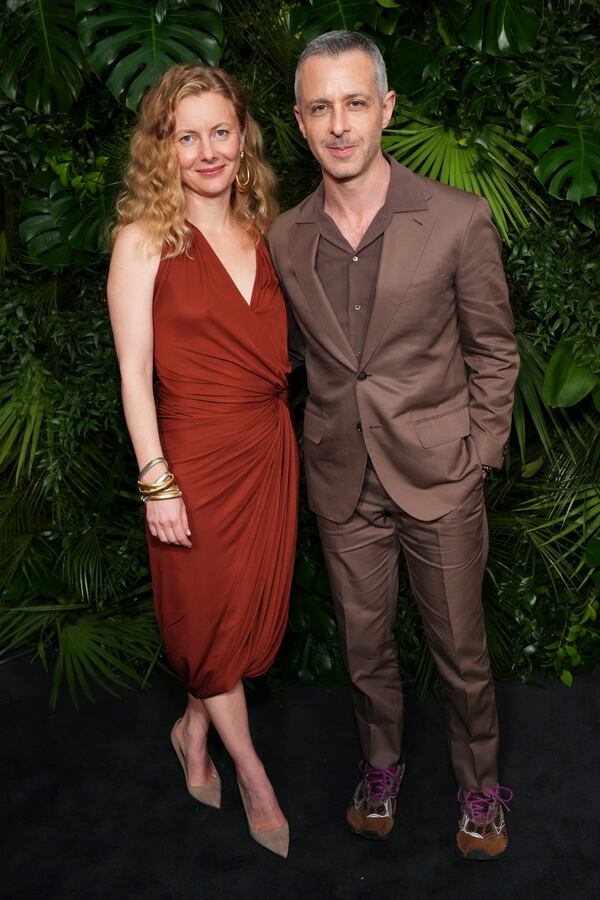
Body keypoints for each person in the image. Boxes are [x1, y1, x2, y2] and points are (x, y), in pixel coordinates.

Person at [269, 31, 519, 859]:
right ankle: (382, 770)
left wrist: (479, 452)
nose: (338, 124)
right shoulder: (286, 238)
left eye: (353, 102)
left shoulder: (456, 218)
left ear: (386, 109)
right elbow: (302, 359)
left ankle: (480, 790)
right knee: (364, 648)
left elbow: (493, 349)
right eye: (320, 107)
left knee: (461, 653)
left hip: (440, 477)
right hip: (344, 481)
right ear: (301, 124)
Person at [107, 64, 298, 859]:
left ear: (243, 136)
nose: (208, 150)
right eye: (187, 136)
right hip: (190, 459)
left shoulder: (267, 228)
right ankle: (252, 774)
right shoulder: (144, 238)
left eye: (221, 131)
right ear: (164, 148)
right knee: (208, 618)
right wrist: (157, 482)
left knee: (236, 620)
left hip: (266, 450)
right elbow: (132, 372)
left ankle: (192, 730)